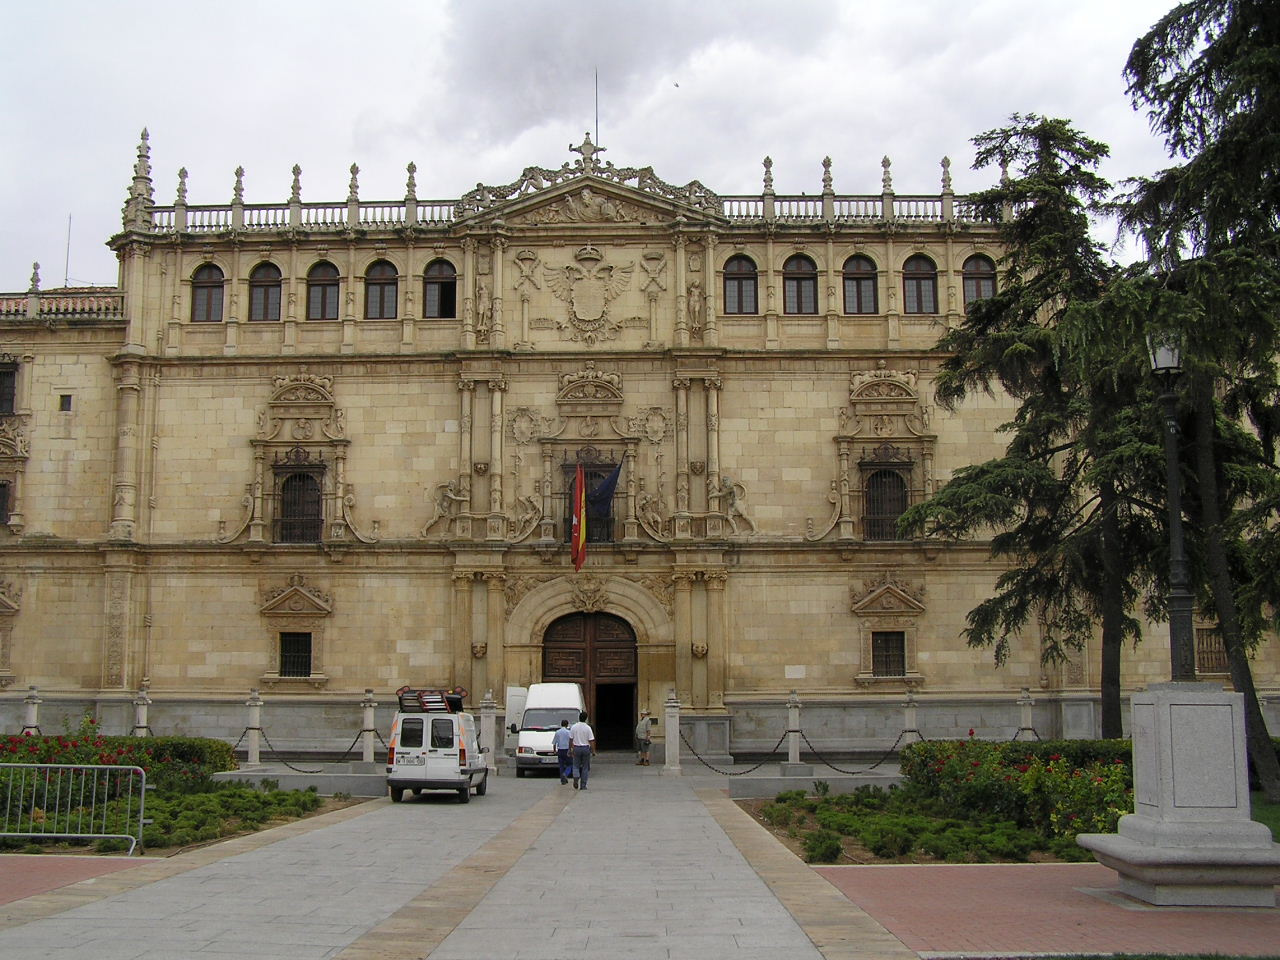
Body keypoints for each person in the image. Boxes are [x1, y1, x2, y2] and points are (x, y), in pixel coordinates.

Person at [568, 711, 596, 790]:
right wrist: (593, 751)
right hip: (585, 748)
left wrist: (570, 749)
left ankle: (576, 777)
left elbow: (570, 739)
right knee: (585, 767)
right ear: (586, 718)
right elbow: (591, 740)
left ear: (579, 718)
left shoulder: (574, 727)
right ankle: (583, 785)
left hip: (576, 748)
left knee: (576, 765)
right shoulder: (588, 728)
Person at [551, 718, 573, 784]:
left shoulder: (557, 732)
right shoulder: (569, 732)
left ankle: (562, 780)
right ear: (567, 725)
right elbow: (571, 742)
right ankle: (565, 774)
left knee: (561, 765)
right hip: (567, 750)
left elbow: (554, 742)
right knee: (570, 764)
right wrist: (571, 750)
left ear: (561, 724)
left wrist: (554, 750)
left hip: (560, 750)